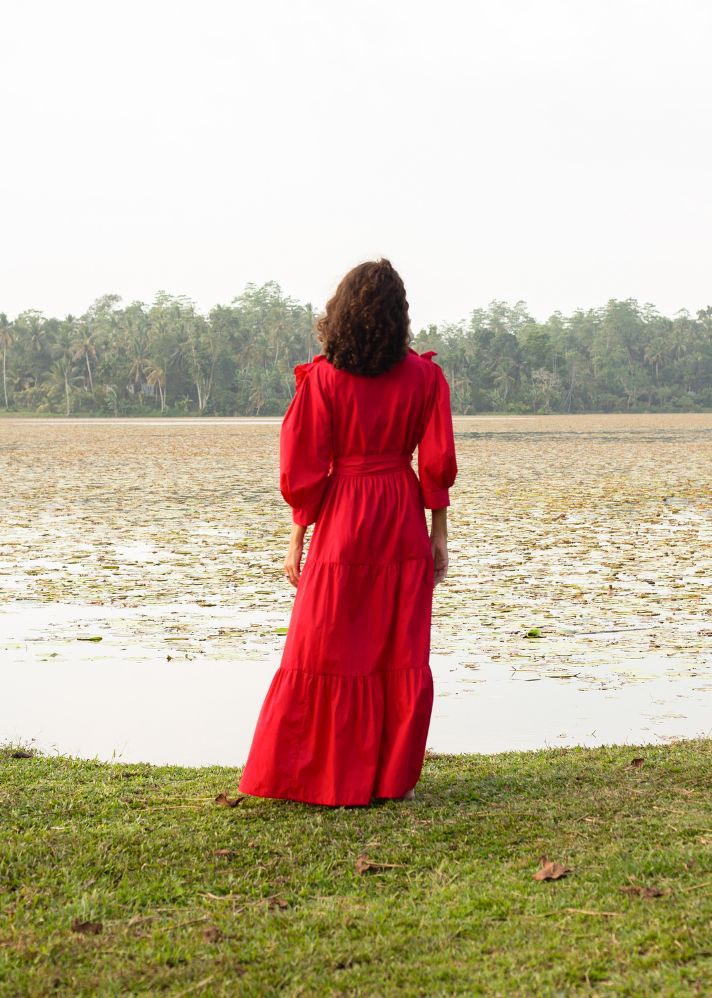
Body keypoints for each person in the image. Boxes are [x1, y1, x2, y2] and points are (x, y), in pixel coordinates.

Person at [238, 258, 458, 807]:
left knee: (325, 646)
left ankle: (314, 774)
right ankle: (390, 780)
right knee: (395, 648)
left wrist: (297, 540)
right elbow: (435, 462)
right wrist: (439, 535)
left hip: (343, 518)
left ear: (341, 313)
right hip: (401, 516)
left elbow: (303, 469)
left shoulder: (324, 379)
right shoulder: (425, 377)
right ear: (399, 316)